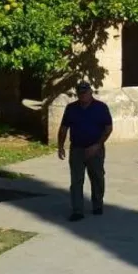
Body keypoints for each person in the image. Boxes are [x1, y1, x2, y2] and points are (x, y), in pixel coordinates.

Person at [56, 82, 111, 221]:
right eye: (80, 93)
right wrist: (60, 146)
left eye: (85, 93)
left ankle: (97, 204)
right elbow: (63, 128)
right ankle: (77, 210)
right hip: (77, 149)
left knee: (97, 177)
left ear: (90, 92)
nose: (83, 96)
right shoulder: (71, 108)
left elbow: (108, 128)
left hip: (95, 148)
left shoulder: (101, 108)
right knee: (76, 180)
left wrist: (97, 145)